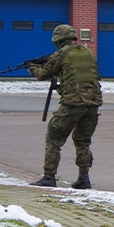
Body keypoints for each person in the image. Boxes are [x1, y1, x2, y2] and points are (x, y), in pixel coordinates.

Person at [28, 24, 102, 189]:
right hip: (92, 104)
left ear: (58, 40)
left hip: (72, 104)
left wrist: (32, 68)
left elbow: (42, 74)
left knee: (54, 137)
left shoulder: (60, 54)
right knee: (83, 141)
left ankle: (49, 176)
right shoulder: (87, 52)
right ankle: (84, 178)